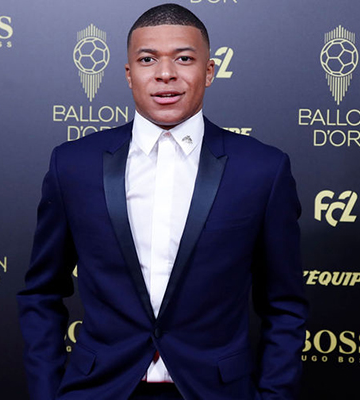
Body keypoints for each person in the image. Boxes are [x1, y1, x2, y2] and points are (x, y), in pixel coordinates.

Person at [17, 3, 307, 399]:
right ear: (128, 74)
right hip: (99, 389)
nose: (165, 73)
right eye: (147, 59)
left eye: (184, 59)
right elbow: (41, 293)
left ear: (209, 71)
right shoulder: (72, 165)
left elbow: (284, 305)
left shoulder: (263, 170)